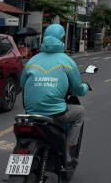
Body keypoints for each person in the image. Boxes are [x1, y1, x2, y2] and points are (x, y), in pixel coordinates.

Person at [21, 24, 89, 165]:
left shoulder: (32, 61)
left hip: (31, 112)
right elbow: (78, 89)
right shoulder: (67, 61)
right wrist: (86, 87)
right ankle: (67, 151)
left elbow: (22, 85)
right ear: (62, 40)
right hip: (56, 113)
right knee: (80, 112)